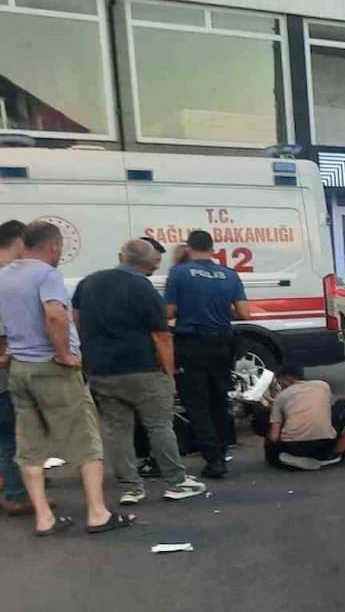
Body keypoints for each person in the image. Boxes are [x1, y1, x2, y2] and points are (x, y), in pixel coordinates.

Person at [0, 221, 134, 535]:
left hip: (19, 369)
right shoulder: (47, 275)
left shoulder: (3, 276)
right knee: (84, 440)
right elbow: (55, 315)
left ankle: (44, 518)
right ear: (54, 246)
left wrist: (8, 353)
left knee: (29, 444)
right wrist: (64, 355)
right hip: (52, 368)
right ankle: (97, 514)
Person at [73, 239, 205, 505]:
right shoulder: (143, 289)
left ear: (121, 256)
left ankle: (131, 488)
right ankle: (176, 482)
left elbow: (76, 318)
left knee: (116, 431)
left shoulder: (89, 282)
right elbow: (161, 336)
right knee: (159, 426)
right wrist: (168, 374)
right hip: (143, 369)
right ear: (150, 263)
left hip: (102, 370)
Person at [165, 229, 249, 480]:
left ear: (189, 248)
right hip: (222, 343)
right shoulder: (229, 274)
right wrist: (222, 314)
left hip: (191, 344)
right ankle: (222, 452)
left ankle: (213, 459)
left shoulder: (178, 273)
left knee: (197, 403)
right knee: (219, 400)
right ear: (213, 249)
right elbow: (245, 314)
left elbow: (169, 312)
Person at [259, 365, 345, 471]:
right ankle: (323, 456)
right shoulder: (322, 385)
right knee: (343, 404)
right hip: (326, 443)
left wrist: (268, 441)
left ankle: (285, 458)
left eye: (280, 383)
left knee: (271, 453)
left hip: (295, 447)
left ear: (286, 379)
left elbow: (274, 436)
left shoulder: (281, 397)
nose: (280, 387)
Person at [0, 219, 32, 515]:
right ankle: (16, 494)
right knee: (11, 437)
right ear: (20, 241)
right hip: (4, 377)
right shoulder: (6, 278)